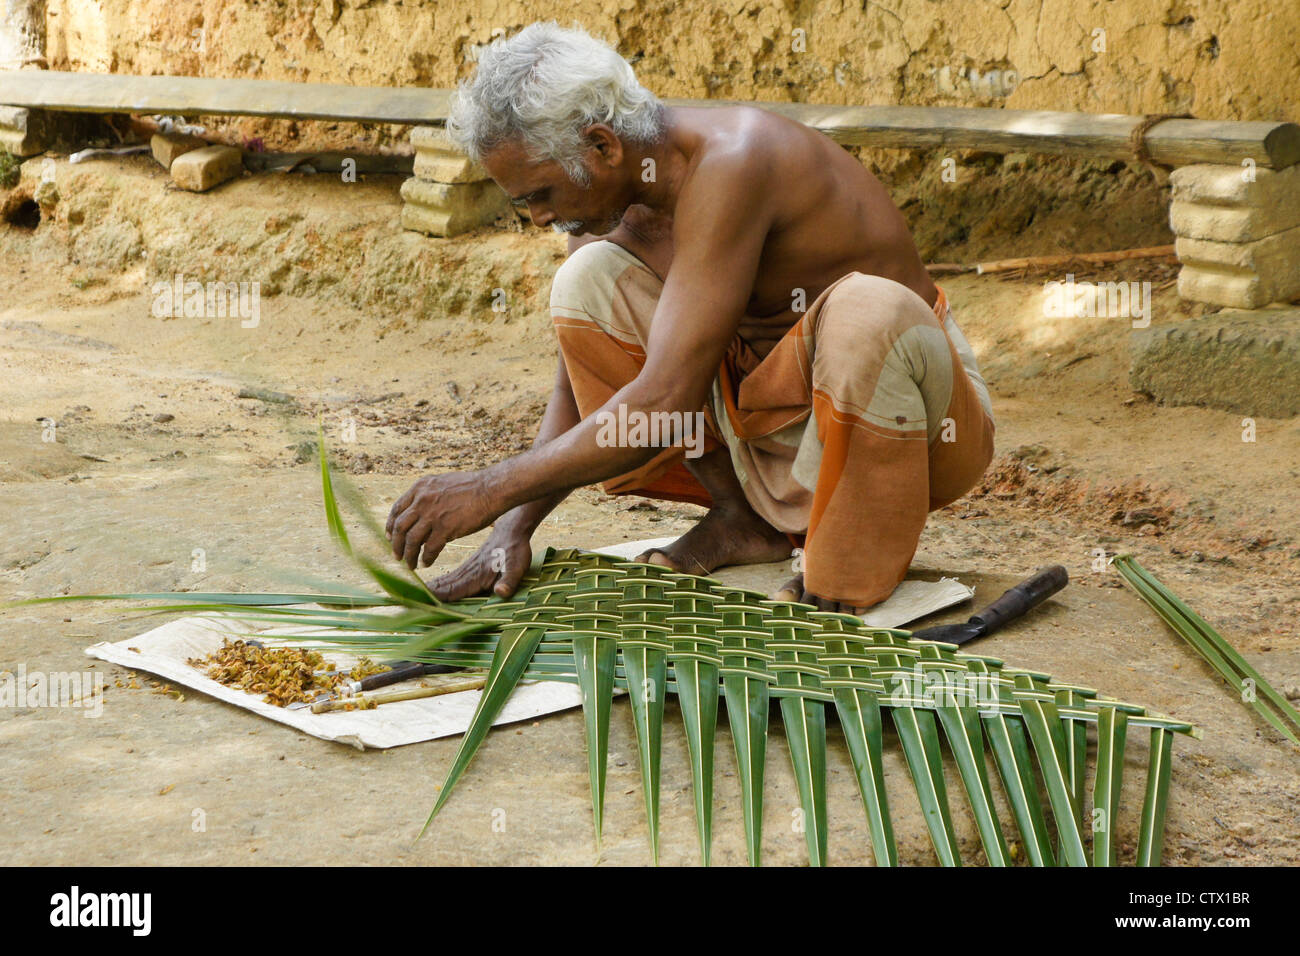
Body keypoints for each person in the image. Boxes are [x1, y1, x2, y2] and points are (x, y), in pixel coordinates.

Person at [386, 21, 995, 613]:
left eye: (539, 195)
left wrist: (490, 489)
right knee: (587, 280)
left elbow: (662, 400)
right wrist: (511, 528)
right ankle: (743, 519)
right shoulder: (610, 208)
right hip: (766, 437)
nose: (538, 218)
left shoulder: (734, 160)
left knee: (869, 308)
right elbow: (579, 385)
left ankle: (843, 575)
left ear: (602, 145)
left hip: (913, 430)